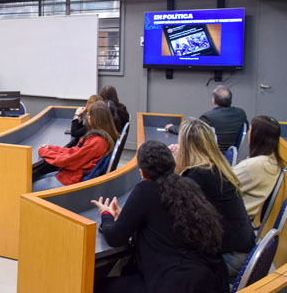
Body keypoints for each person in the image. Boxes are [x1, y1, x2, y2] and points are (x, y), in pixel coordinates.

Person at [92, 141, 228, 293]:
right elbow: (160, 219)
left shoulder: (146, 189)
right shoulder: (188, 186)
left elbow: (115, 237)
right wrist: (126, 214)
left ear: (142, 172)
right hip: (209, 280)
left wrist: (106, 215)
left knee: (101, 286)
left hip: (175, 284)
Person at [170, 118, 255, 277]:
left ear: (188, 148)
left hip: (230, 257)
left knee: (163, 257)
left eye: (180, 143)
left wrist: (169, 165)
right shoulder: (215, 166)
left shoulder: (197, 176)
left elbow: (172, 208)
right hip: (244, 248)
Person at [32, 101, 119, 191]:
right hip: (71, 174)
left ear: (96, 119)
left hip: (71, 180)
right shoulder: (100, 137)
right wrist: (52, 148)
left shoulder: (97, 142)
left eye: (89, 115)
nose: (87, 118)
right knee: (33, 179)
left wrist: (44, 152)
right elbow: (74, 151)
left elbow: (69, 160)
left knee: (29, 186)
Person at [166, 85, 247, 153]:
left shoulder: (209, 117)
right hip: (229, 156)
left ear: (214, 101)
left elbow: (190, 132)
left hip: (210, 157)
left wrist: (171, 128)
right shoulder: (241, 113)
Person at [233, 115, 285, 219]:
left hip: (232, 220)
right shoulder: (272, 161)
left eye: (250, 130)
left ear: (257, 136)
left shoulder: (253, 165)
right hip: (241, 218)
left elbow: (220, 184)